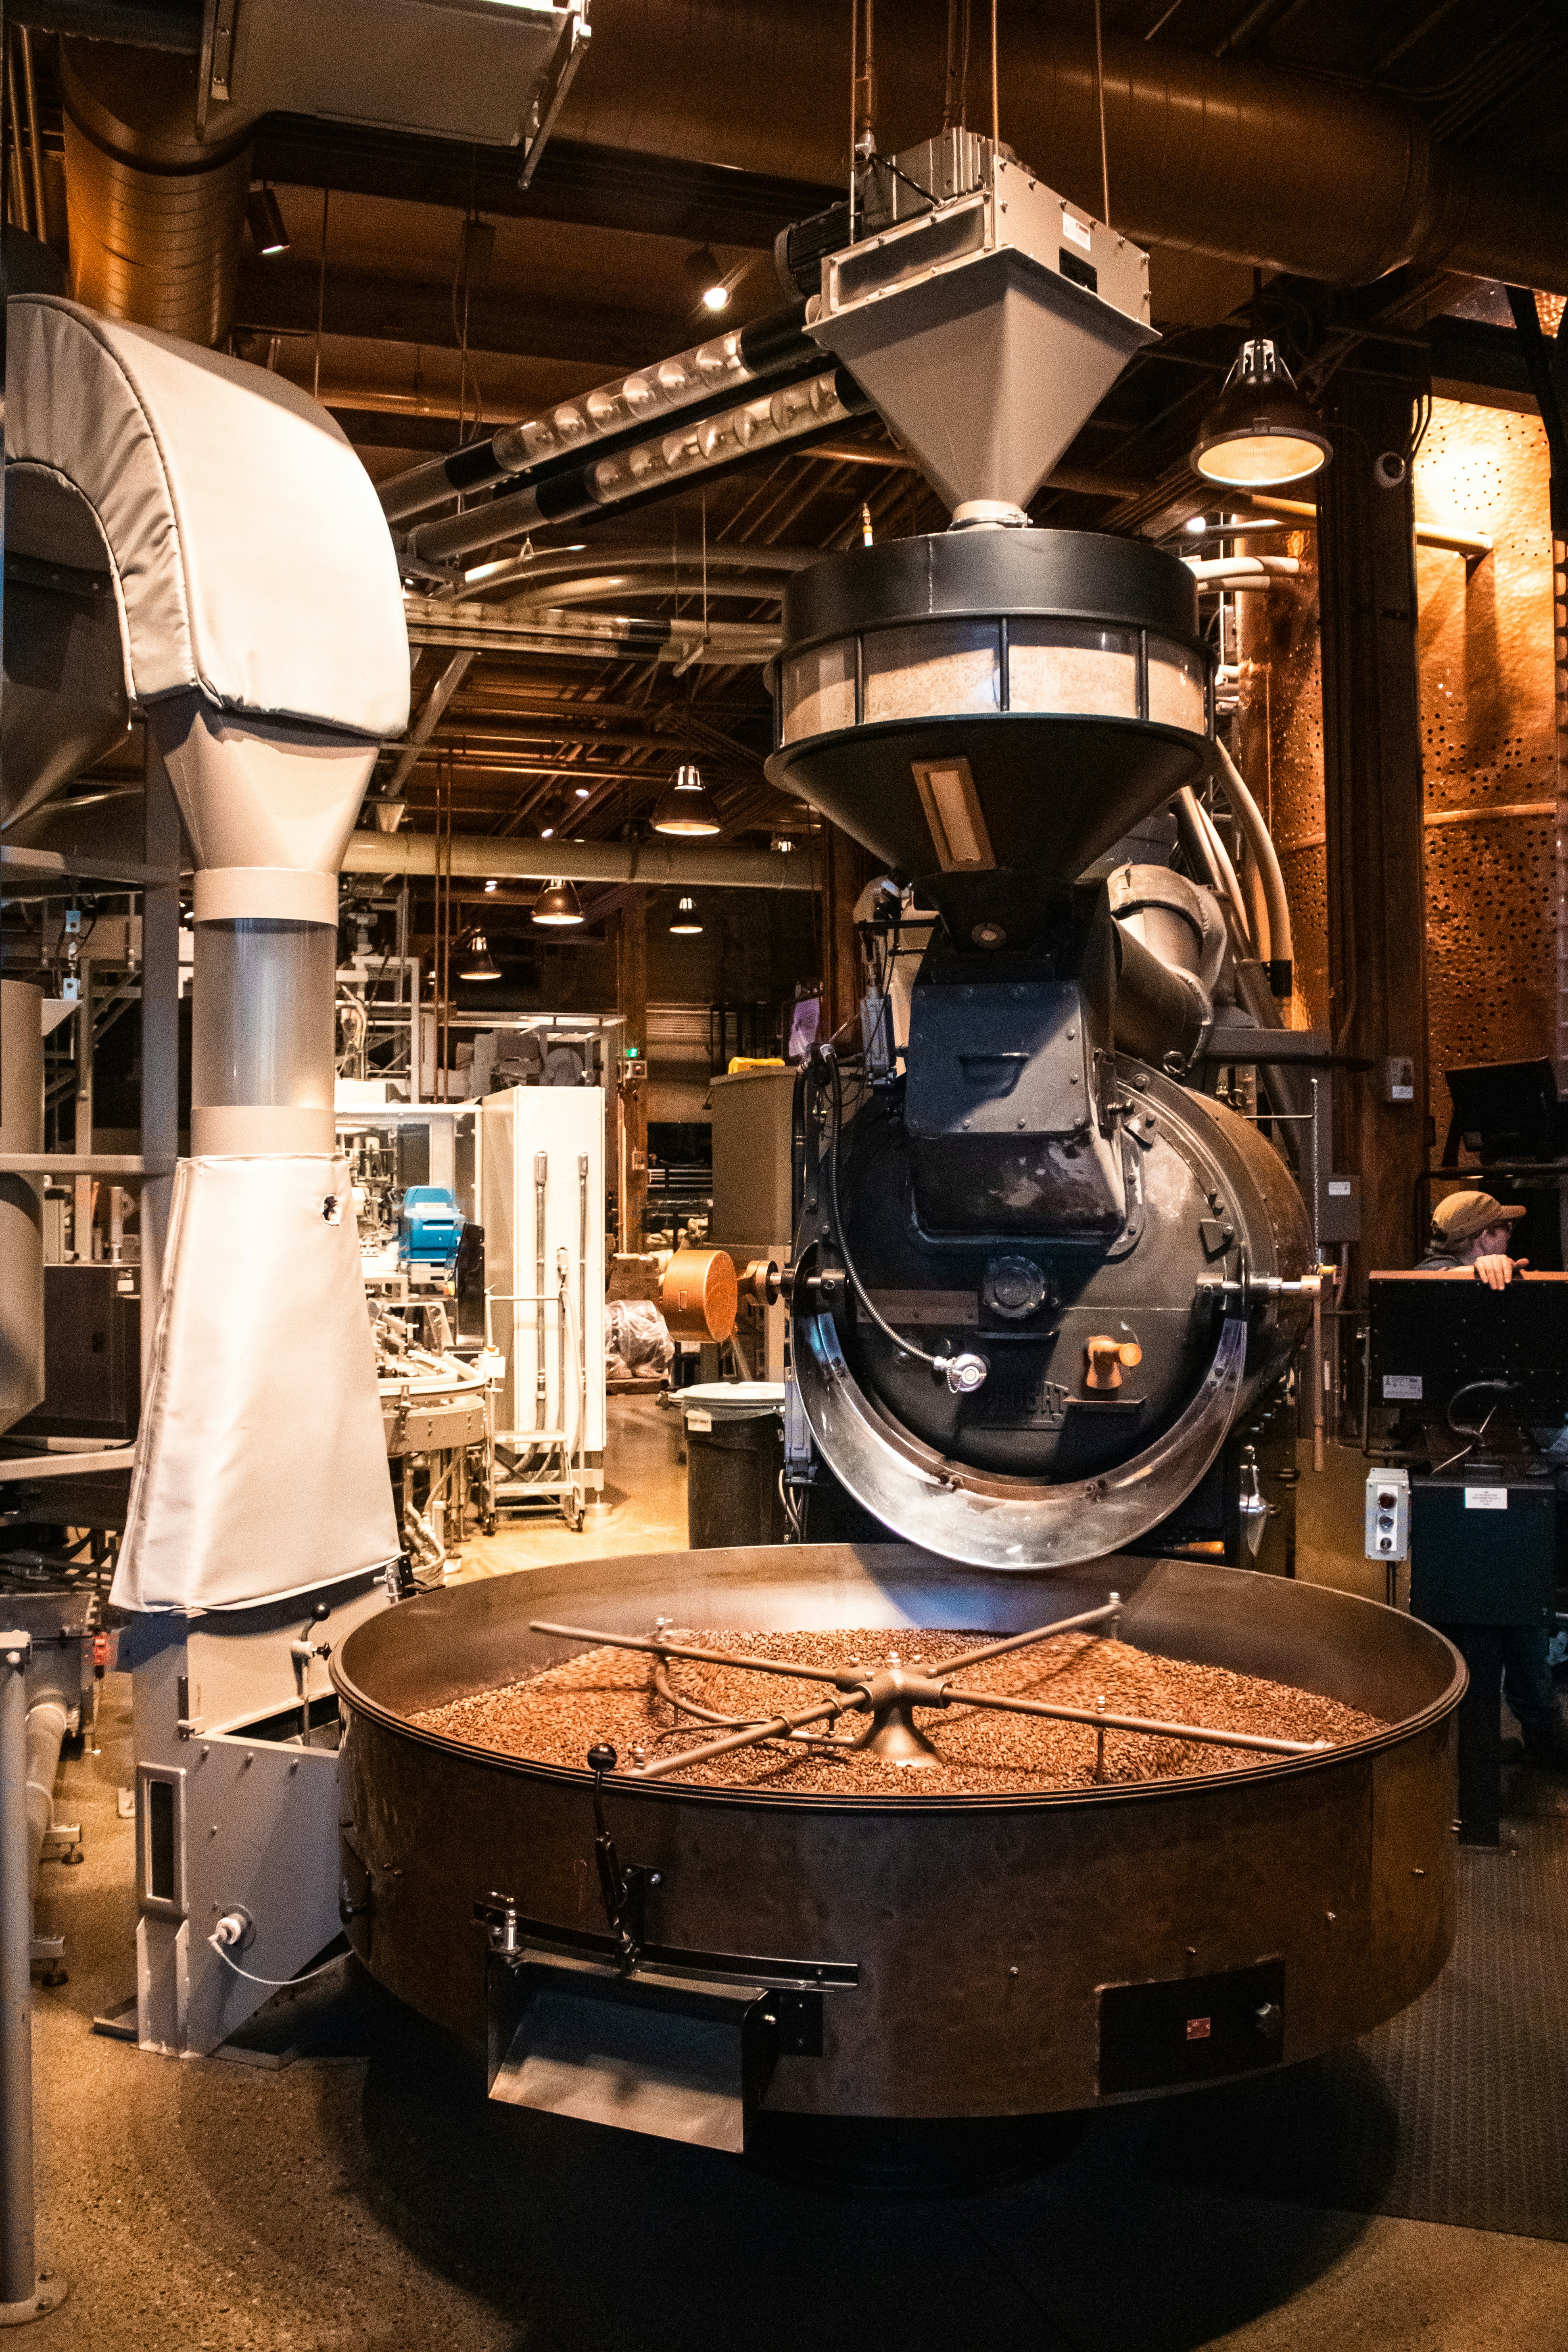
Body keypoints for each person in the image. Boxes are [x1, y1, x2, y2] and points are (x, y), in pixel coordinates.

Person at [1416, 1189, 1566, 1767]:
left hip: (1491, 1468)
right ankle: (1533, 1729)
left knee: (1512, 1609)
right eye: (1499, 1233)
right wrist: (1475, 1273)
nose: (1508, 1240)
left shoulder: (1451, 1280)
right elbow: (1434, 1279)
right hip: (1503, 1462)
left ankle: (1531, 1726)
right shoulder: (1450, 1287)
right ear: (1481, 1241)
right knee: (1517, 1607)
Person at [1417, 1189, 1528, 1290]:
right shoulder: (1436, 1266)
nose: (1509, 1234)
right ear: (1482, 1235)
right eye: (1507, 1226)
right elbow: (1424, 1276)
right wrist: (1485, 1268)